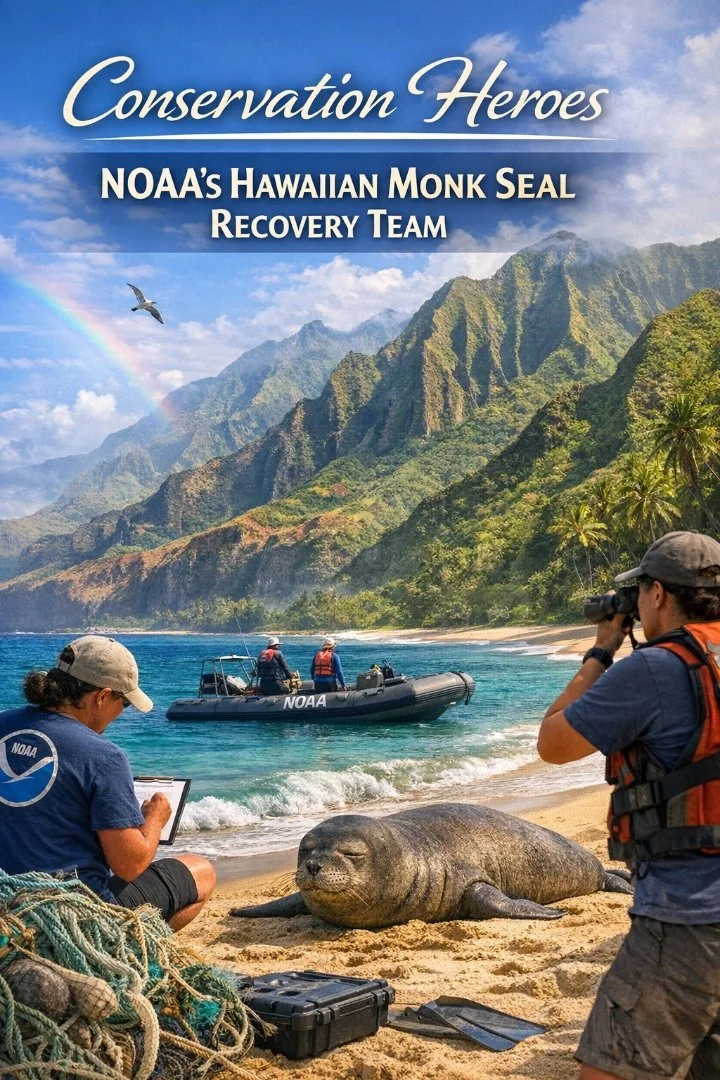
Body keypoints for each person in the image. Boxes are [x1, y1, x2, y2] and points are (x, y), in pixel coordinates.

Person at [537, 531, 720, 1080]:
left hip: (689, 915)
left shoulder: (655, 669)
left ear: (657, 593)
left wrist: (601, 651)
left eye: (640, 592)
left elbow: (553, 744)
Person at [0, 636, 215, 932]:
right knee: (201, 871)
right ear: (101, 697)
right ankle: (127, 950)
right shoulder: (104, 756)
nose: (122, 712)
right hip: (74, 914)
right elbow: (130, 865)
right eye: (123, 702)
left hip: (7, 903)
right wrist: (155, 820)